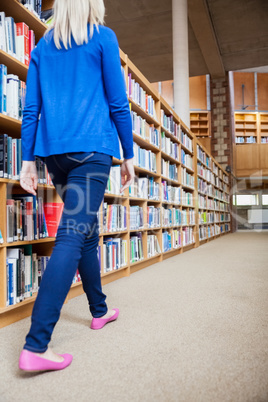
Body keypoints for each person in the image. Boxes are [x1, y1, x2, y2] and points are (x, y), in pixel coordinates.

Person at [18, 0, 134, 372]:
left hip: (57, 158)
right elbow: (118, 103)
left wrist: (27, 162)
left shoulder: (41, 48)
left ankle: (99, 311)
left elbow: (30, 109)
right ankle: (37, 345)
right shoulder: (103, 38)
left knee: (86, 233)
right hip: (90, 153)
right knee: (72, 234)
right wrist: (129, 154)